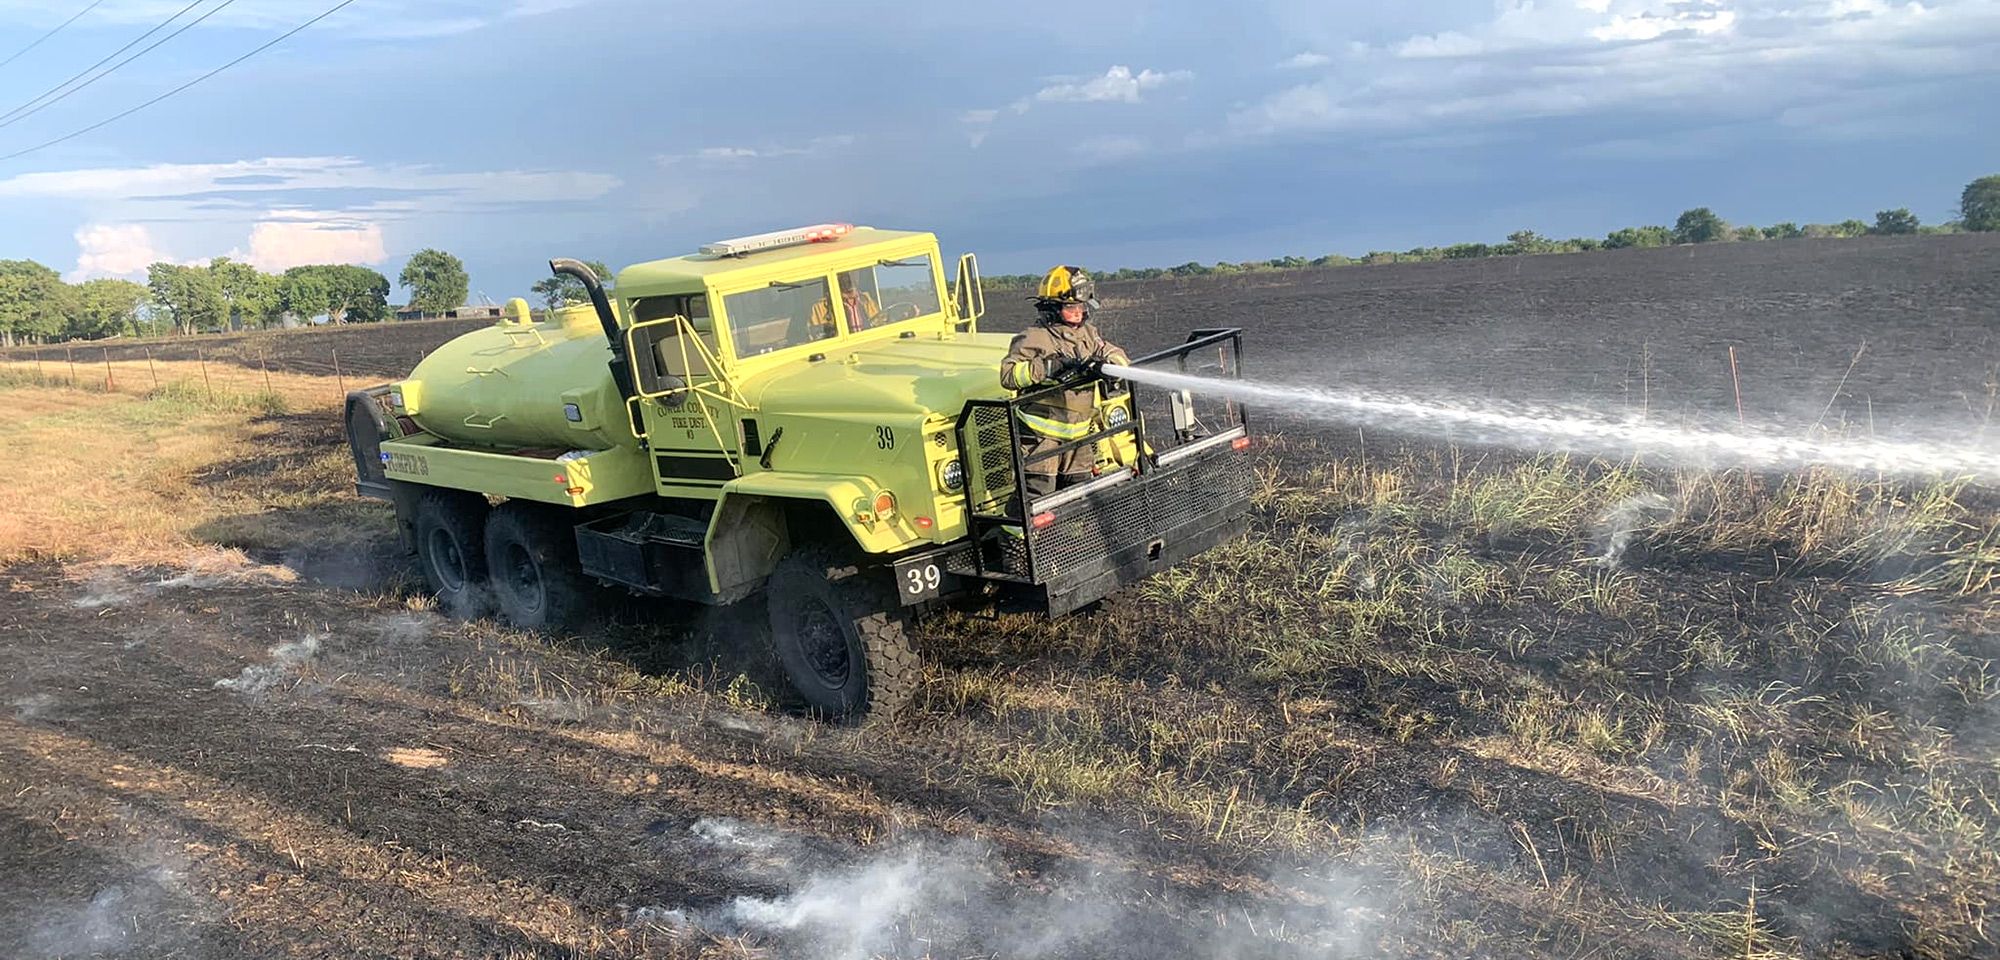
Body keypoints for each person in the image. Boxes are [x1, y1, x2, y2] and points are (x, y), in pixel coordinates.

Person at [998, 265, 1130, 497]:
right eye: (1071, 307)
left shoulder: (1088, 333)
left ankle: (1074, 534)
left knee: (1079, 495)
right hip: (1040, 439)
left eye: (1081, 306)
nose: (1079, 312)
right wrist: (1049, 367)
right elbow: (1008, 375)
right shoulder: (1034, 337)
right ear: (1052, 308)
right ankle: (1015, 533)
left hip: (1078, 436)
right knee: (1038, 496)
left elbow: (1117, 355)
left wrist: (1108, 366)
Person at [811, 271, 881, 333]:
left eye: (854, 272)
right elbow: (816, 336)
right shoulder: (820, 307)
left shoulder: (867, 300)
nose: (851, 278)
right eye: (846, 274)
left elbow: (880, 324)